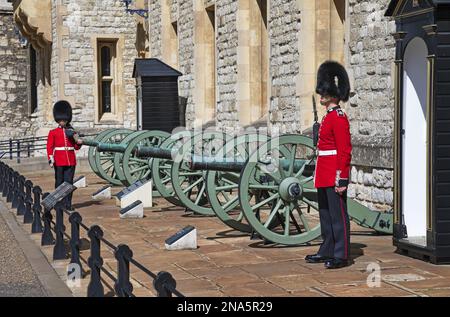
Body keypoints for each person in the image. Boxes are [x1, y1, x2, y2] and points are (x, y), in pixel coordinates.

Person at [305, 61, 353, 269]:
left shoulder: (339, 118)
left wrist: (342, 177)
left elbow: (344, 150)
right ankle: (327, 249)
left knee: (337, 215)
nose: (321, 96)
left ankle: (341, 254)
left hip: (333, 171)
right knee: (325, 213)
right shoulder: (328, 117)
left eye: (325, 92)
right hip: (323, 170)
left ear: (333, 94)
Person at [46, 100, 82, 211]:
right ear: (58, 120)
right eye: (61, 120)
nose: (63, 122)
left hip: (70, 160)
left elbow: (75, 147)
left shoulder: (71, 131)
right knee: (59, 183)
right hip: (59, 160)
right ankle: (58, 203)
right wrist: (51, 158)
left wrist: (78, 142)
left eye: (64, 120)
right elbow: (49, 147)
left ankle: (68, 204)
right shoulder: (53, 132)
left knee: (69, 184)